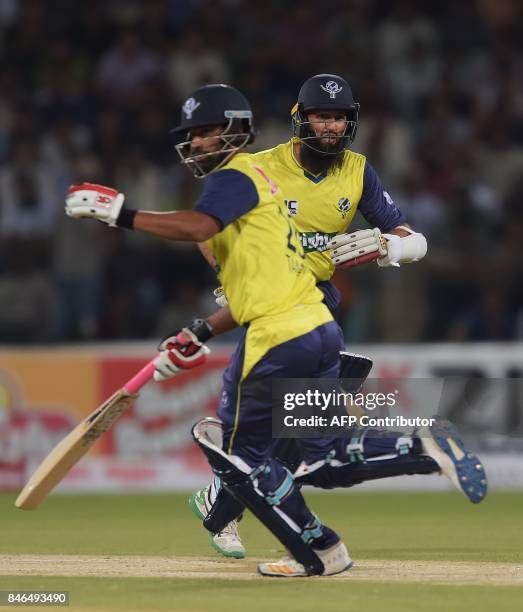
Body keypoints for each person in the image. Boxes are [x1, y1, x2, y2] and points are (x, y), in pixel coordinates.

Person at [167, 75, 486, 565]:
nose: (331, 125)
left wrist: (390, 246)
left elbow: (405, 233)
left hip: (319, 307)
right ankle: (241, 511)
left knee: (298, 434)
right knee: (297, 434)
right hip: (272, 304)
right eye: (322, 115)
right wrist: (230, 279)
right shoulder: (262, 166)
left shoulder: (358, 171)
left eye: (339, 117)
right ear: (301, 119)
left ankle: (226, 505)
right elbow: (207, 230)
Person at [65, 83, 354, 577]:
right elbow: (244, 292)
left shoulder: (234, 179)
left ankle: (308, 543)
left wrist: (121, 215)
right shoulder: (248, 196)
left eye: (206, 131)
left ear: (236, 131)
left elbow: (197, 227)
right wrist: (198, 331)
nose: (197, 142)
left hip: (284, 334)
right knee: (292, 451)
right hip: (305, 329)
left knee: (244, 458)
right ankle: (315, 535)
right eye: (192, 134)